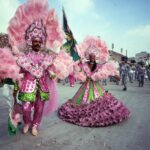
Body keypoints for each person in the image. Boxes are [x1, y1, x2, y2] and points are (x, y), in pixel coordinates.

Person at [6, 0, 65, 136]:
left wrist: (54, 72)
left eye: (39, 41)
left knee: (39, 108)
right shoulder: (24, 55)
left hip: (42, 86)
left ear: (42, 42)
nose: (37, 43)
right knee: (26, 107)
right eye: (35, 41)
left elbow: (51, 69)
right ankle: (27, 122)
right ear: (30, 42)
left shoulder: (47, 56)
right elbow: (19, 67)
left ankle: (35, 125)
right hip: (27, 85)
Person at [58, 36, 130, 127]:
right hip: (84, 87)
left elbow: (108, 72)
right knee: (79, 104)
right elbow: (75, 68)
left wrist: (115, 75)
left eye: (94, 55)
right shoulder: (83, 64)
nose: (92, 57)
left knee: (103, 104)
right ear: (87, 55)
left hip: (96, 87)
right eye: (90, 55)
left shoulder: (100, 65)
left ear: (96, 56)